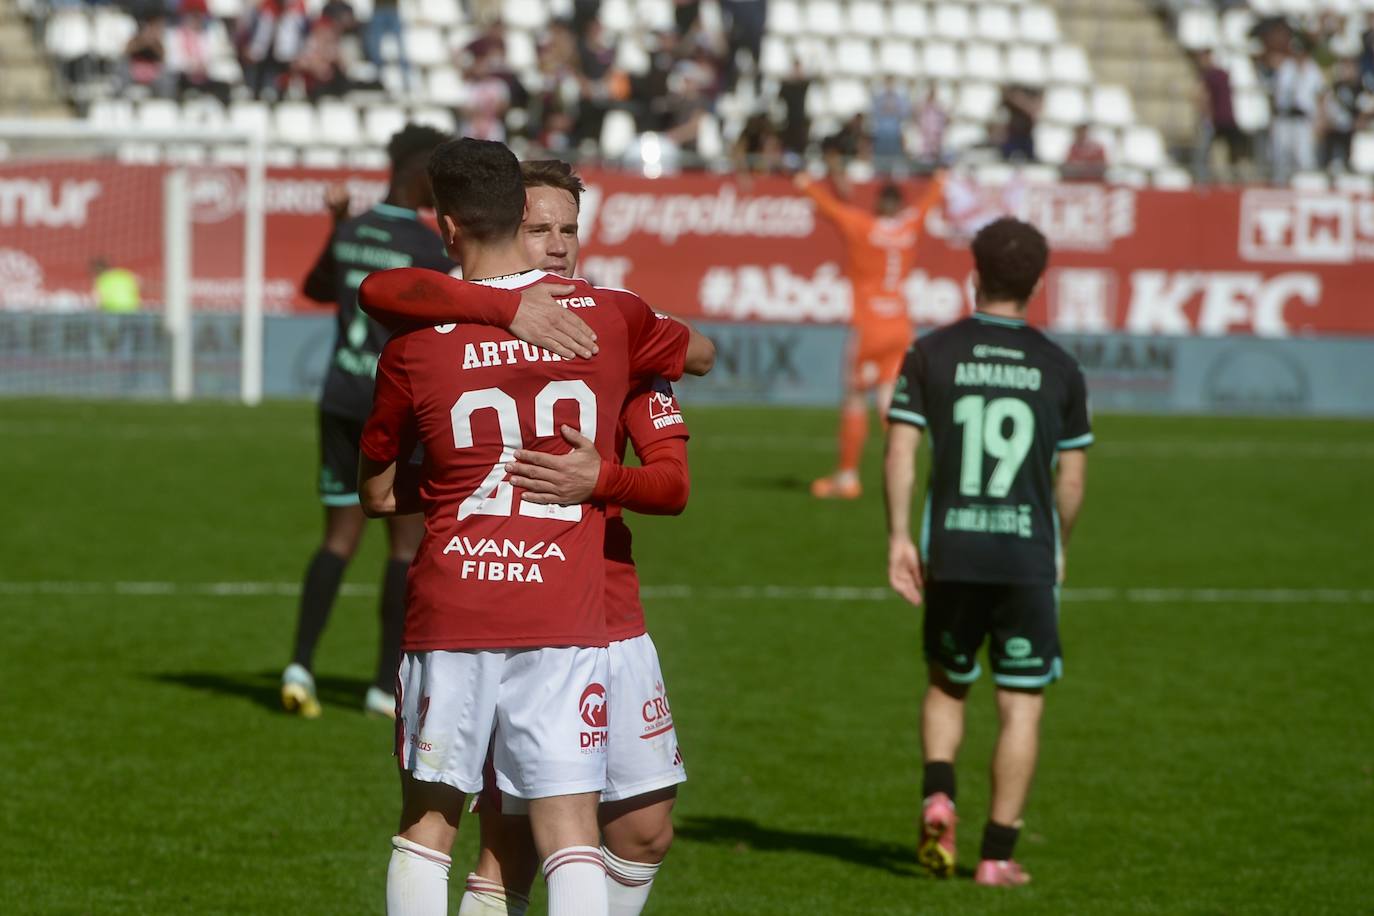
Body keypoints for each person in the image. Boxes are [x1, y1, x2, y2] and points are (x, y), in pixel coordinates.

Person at [360, 158, 713, 916]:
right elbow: (701, 354)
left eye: (568, 230)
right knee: (548, 833)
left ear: (450, 226)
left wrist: (586, 478)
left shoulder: (418, 344)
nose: (554, 245)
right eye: (538, 228)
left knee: (443, 826)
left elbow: (379, 489)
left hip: (488, 604)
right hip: (563, 610)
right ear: (510, 228)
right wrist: (504, 312)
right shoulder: (608, 321)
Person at [883, 217, 1092, 887]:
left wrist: (897, 537)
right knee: (1020, 703)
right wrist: (1058, 544)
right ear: (1037, 282)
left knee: (948, 683)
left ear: (974, 276)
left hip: (953, 550)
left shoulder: (932, 352)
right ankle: (997, 854)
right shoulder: (1060, 365)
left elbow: (902, 449)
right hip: (1025, 556)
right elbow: (1073, 478)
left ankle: (939, 792)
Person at [279, 125, 453, 721]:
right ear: (415, 174)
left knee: (337, 538)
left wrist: (336, 228)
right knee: (404, 546)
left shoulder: (353, 230)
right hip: (392, 406)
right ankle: (384, 683)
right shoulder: (430, 250)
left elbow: (316, 286)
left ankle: (301, 663)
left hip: (338, 397)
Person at [797, 169, 946, 499]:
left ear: (878, 204)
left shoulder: (863, 226)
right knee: (888, 401)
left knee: (854, 397)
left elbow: (830, 209)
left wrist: (806, 183)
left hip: (869, 326)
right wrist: (938, 181)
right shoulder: (909, 227)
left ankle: (848, 477)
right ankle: (905, 469)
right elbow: (927, 204)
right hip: (901, 325)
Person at [1193, 49, 1248, 181]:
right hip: (1225, 119)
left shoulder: (1210, 76)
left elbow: (1200, 96)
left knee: (1207, 152)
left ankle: (1204, 179)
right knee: (1224, 153)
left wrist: (1205, 114)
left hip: (1216, 120)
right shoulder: (1221, 74)